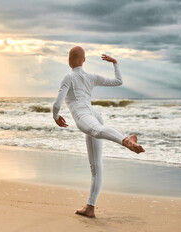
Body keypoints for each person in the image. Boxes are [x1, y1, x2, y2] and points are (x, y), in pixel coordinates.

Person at [52, 46, 145, 218]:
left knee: (96, 131)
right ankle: (90, 207)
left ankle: (125, 140)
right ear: (84, 60)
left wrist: (56, 116)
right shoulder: (91, 77)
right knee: (96, 165)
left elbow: (57, 104)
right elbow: (118, 81)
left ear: (68, 60)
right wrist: (115, 63)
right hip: (94, 114)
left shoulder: (68, 77)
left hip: (84, 115)